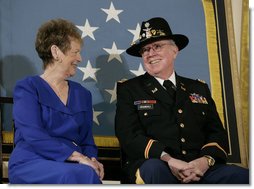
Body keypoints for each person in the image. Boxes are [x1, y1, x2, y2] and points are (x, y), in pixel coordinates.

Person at [115, 17, 249, 184]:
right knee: (154, 169)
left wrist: (204, 161)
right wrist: (169, 159)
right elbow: (129, 135)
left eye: (157, 46)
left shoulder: (198, 88)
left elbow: (217, 133)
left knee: (242, 176)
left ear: (175, 50)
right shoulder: (130, 89)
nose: (150, 54)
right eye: (145, 50)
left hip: (198, 167)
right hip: (157, 164)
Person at [8, 18, 104, 184]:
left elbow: (87, 140)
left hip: (75, 164)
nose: (80, 58)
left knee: (87, 173)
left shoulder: (83, 94)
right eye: (75, 52)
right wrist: (77, 157)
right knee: (77, 175)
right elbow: (33, 134)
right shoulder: (27, 88)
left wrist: (92, 159)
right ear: (56, 52)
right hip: (32, 161)